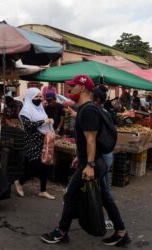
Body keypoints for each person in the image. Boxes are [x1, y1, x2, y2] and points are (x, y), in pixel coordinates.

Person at [41, 75, 130, 247]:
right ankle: (121, 232)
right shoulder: (85, 108)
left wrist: (88, 165)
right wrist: (78, 157)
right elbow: (85, 141)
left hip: (92, 164)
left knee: (70, 195)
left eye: (73, 86)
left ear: (82, 88)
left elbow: (91, 139)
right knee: (105, 198)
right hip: (92, 162)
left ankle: (61, 232)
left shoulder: (88, 110)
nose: (69, 90)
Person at [14, 88, 55, 200]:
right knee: (36, 166)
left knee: (45, 166)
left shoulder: (40, 109)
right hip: (32, 141)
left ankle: (43, 190)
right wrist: (44, 121)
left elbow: (45, 122)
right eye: (36, 97)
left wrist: (50, 121)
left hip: (43, 141)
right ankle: (19, 182)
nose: (39, 99)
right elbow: (29, 126)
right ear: (29, 97)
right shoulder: (25, 111)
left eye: (40, 96)